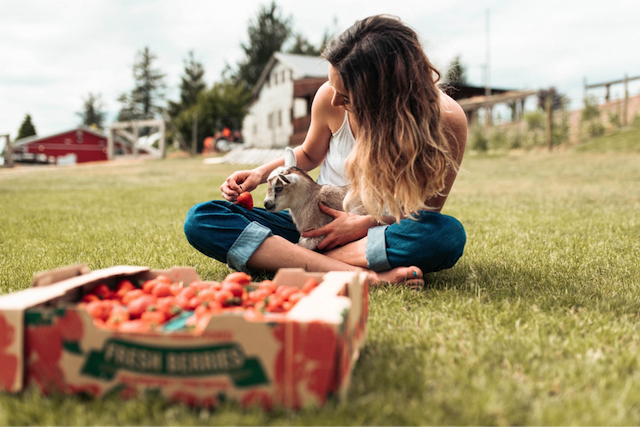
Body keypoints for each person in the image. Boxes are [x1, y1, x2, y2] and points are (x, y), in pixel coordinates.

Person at [184, 15, 468, 286]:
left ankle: (293, 258)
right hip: (311, 223)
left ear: (382, 96)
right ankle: (359, 273)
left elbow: (422, 212)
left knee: (444, 235)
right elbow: (308, 154)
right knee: (203, 219)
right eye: (333, 86)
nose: (333, 98)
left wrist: (361, 225)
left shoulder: (447, 121)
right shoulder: (329, 98)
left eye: (346, 96)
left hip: (377, 232)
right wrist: (260, 173)